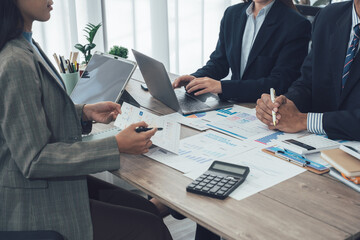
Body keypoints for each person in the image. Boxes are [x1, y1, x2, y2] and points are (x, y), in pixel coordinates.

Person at [0, 0, 172, 240]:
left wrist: (83, 112)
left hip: (50, 186)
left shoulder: (26, 43)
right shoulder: (15, 61)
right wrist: (116, 145)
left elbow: (33, 114)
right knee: (149, 228)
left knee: (147, 209)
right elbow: (34, 160)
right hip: (33, 201)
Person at [256, 0, 360, 141]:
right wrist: (284, 105)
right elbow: (308, 83)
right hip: (319, 144)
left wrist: (304, 120)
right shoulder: (328, 16)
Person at [172, 0, 311, 103]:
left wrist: (223, 87)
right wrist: (196, 78)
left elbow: (279, 83)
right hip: (234, 107)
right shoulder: (232, 14)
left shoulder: (296, 24)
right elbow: (219, 62)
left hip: (267, 109)